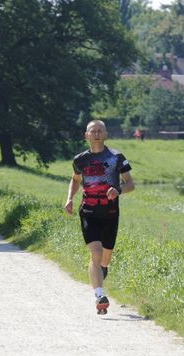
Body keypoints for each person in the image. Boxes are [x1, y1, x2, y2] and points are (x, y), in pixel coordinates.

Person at [64, 120, 135, 314]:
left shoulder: (116, 157)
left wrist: (118, 189)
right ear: (86, 135)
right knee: (95, 252)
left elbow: (130, 183)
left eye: (99, 131)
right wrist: (70, 198)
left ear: (106, 134)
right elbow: (75, 179)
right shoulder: (80, 160)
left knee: (105, 257)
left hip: (110, 213)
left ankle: (102, 269)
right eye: (92, 131)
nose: (96, 134)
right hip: (88, 211)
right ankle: (99, 296)